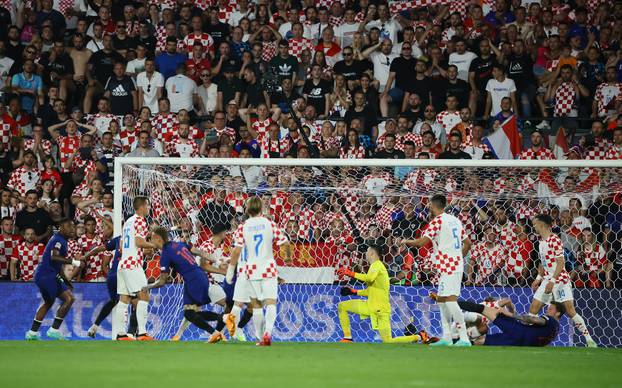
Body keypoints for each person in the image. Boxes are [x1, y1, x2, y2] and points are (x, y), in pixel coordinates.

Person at [400, 194, 472, 346]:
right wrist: (458, 258)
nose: (428, 208)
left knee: (451, 301)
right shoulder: (455, 220)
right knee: (441, 301)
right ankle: (446, 337)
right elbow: (468, 243)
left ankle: (464, 339)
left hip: (449, 266)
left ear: (433, 206)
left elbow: (421, 242)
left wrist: (406, 241)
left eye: (429, 206)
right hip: (450, 265)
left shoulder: (438, 221)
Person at [145, 226, 234, 343]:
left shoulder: (165, 254)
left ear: (158, 238)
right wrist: (217, 261)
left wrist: (147, 287)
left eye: (151, 239)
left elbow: (162, 281)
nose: (150, 242)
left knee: (190, 314)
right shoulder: (179, 244)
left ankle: (218, 327)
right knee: (191, 313)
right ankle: (220, 324)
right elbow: (200, 252)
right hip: (200, 276)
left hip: (193, 280)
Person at [226, 196, 292, 346]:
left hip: (252, 270)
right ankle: (267, 333)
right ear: (261, 208)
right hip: (268, 267)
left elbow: (236, 251)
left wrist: (230, 270)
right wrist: (288, 257)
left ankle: (259, 336)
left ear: (247, 209)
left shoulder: (243, 226)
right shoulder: (269, 223)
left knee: (256, 305)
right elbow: (285, 242)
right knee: (271, 303)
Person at [528, 214, 597, 347]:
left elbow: (561, 263)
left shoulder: (554, 240)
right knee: (533, 308)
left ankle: (589, 340)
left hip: (560, 280)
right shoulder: (541, 242)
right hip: (548, 279)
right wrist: (538, 278)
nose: (533, 226)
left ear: (542, 224)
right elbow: (542, 263)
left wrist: (553, 281)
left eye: (535, 223)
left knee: (570, 311)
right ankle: (529, 338)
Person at [336, 245, 425, 344]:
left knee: (388, 341)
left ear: (371, 253)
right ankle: (347, 337)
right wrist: (354, 292)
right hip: (369, 306)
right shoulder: (373, 267)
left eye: (367, 251)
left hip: (381, 309)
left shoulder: (377, 265)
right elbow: (371, 291)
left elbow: (369, 278)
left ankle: (419, 336)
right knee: (342, 306)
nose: (365, 253)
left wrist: (350, 273)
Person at [25, 218, 80, 340]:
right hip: (47, 275)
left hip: (44, 275)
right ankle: (53, 330)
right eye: (68, 226)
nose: (72, 229)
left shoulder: (60, 240)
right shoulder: (58, 240)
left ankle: (32, 333)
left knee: (49, 302)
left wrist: (65, 281)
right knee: (69, 298)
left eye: (73, 226)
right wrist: (73, 261)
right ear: (61, 227)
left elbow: (57, 266)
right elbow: (54, 257)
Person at [111, 196, 157, 341]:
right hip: (133, 265)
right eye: (148, 206)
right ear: (142, 206)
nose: (149, 208)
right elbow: (139, 241)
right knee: (144, 295)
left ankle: (120, 334)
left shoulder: (128, 222)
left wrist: (142, 250)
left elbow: (123, 245)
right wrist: (155, 245)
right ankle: (142, 333)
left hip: (123, 263)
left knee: (124, 299)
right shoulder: (140, 220)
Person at [457, 299, 563, 347]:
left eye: (551, 309)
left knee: (483, 309)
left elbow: (533, 320)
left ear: (558, 313)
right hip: (519, 343)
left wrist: (511, 314)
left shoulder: (551, 320)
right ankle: (456, 342)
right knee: (480, 342)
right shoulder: (555, 330)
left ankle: (452, 303)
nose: (547, 311)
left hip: (518, 330)